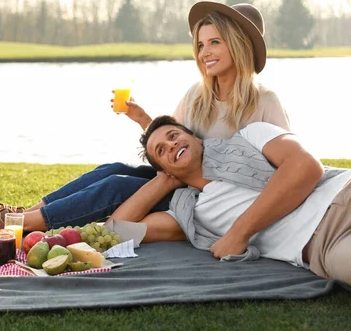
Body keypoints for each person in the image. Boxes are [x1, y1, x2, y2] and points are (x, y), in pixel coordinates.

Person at [0, 1, 291, 238]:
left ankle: (11, 222)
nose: (204, 53)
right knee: (112, 170)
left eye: (215, 43)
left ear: (239, 45)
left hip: (210, 199)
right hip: (179, 179)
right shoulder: (196, 96)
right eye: (201, 45)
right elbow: (169, 144)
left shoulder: (264, 102)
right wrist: (143, 119)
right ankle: (20, 213)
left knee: (115, 187)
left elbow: (282, 168)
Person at [132, 115, 351, 285]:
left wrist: (239, 233)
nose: (171, 145)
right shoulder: (190, 213)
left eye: (173, 136)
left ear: (196, 138)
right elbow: (119, 230)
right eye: (161, 150)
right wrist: (161, 184)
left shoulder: (251, 135)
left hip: (342, 192)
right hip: (324, 247)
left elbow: (306, 166)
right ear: (165, 171)